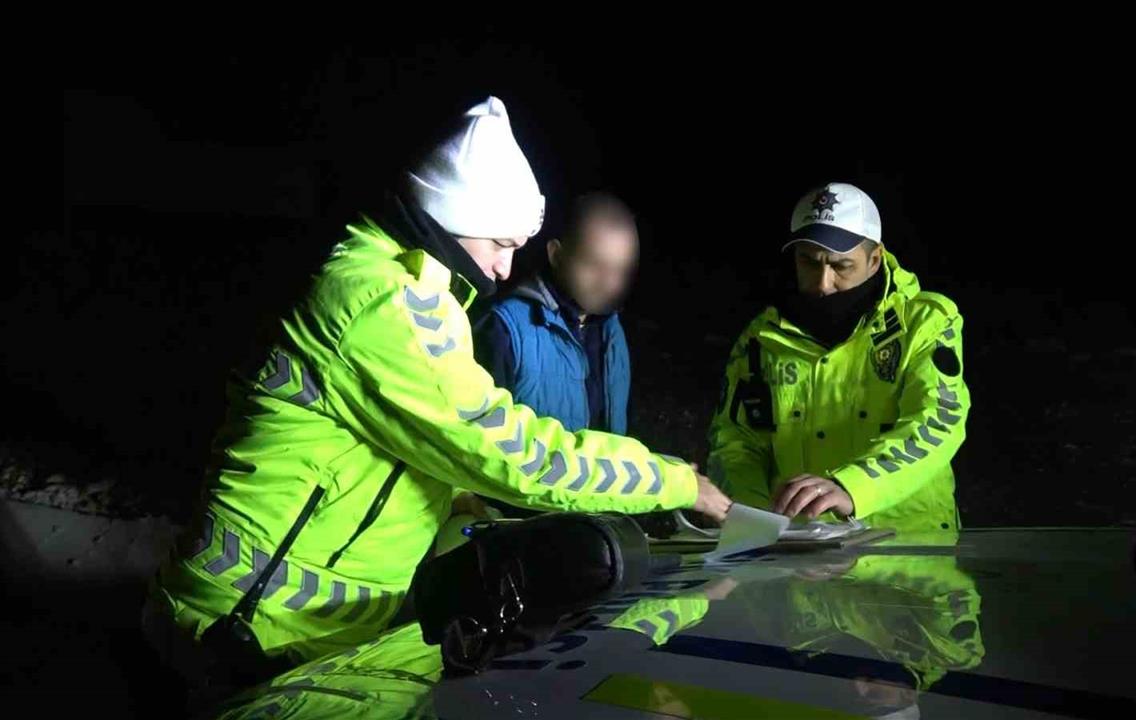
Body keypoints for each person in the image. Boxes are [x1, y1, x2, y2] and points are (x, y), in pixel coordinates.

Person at [142, 97, 731, 699]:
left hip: (305, 629)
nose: (505, 269)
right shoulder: (386, 304)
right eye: (500, 243)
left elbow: (386, 446)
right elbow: (521, 456)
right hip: (244, 631)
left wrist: (456, 495)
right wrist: (673, 481)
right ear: (454, 218)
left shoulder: (404, 285)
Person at [707, 182, 968, 533]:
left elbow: (938, 421)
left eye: (841, 265)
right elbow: (736, 442)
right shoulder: (760, 339)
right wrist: (755, 520)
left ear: (874, 259)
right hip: (799, 548)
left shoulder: (925, 322)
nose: (823, 283)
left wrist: (853, 487)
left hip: (908, 546)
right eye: (808, 262)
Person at [474, 191, 639, 435]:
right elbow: (481, 436)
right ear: (556, 254)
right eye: (595, 265)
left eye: (621, 271)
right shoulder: (503, 328)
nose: (611, 284)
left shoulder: (612, 329)